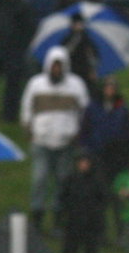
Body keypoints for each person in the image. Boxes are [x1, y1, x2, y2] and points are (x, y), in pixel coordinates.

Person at [20, 46, 90, 232]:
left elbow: (85, 111)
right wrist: (29, 129)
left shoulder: (76, 85)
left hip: (66, 143)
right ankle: (37, 219)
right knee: (39, 179)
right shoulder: (36, 84)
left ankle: (58, 221)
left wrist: (78, 132)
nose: (56, 70)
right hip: (41, 141)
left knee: (62, 182)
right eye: (54, 66)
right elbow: (27, 108)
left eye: (60, 66)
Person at [58, 150, 108, 253]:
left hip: (91, 226)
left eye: (86, 162)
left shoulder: (97, 182)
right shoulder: (71, 180)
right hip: (73, 224)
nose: (83, 165)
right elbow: (62, 198)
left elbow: (103, 201)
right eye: (81, 162)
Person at [79, 75, 129, 158]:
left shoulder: (122, 109)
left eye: (113, 88)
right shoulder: (93, 107)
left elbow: (127, 131)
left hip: (116, 152)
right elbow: (85, 128)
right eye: (108, 87)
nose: (110, 90)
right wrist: (85, 146)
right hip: (96, 149)